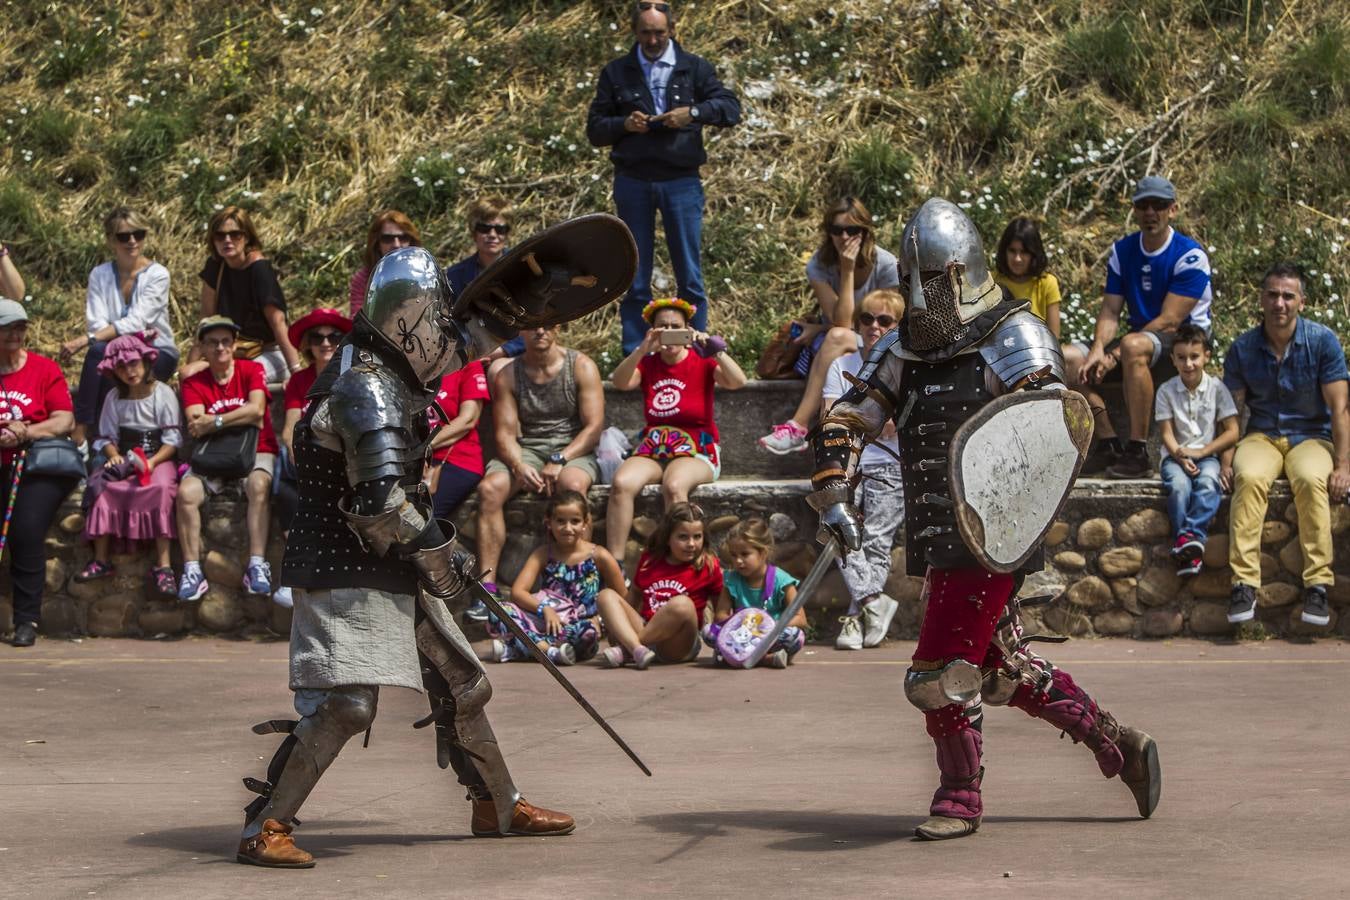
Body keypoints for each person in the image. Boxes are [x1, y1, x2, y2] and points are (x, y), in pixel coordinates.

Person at [808, 197, 1160, 840]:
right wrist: (836, 492)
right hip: (940, 531)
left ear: (959, 275)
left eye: (929, 282)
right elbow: (847, 417)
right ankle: (1119, 745)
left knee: (936, 674)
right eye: (912, 282)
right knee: (999, 671)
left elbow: (1050, 436)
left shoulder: (1016, 334)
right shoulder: (908, 347)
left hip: (996, 533)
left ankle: (959, 797)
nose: (919, 296)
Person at [238, 246, 573, 869]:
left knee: (464, 683)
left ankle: (498, 803)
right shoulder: (367, 385)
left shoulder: (385, 371)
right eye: (437, 324)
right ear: (411, 321)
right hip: (345, 560)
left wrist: (531, 296)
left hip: (391, 557)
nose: (448, 342)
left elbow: (466, 345)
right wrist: (444, 554)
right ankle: (267, 826)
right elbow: (379, 501)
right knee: (347, 704)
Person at [586, 0, 741, 353]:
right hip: (633, 180)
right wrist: (623, 124)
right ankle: (635, 353)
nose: (653, 40)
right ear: (634, 32)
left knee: (689, 273)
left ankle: (697, 349)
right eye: (646, 33)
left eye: (659, 33)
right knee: (633, 273)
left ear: (672, 30)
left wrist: (694, 113)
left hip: (681, 180)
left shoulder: (694, 68)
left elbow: (730, 108)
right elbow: (595, 130)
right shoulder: (616, 72)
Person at [1221, 263, 1350, 627]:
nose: (1280, 303)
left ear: (1302, 302)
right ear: (1261, 299)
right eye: (1273, 295)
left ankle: (1318, 586)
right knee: (1248, 478)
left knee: (1312, 481)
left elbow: (1340, 407)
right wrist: (1227, 461)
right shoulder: (1243, 348)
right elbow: (1232, 411)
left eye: (1288, 296)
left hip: (1311, 435)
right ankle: (1243, 584)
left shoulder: (1322, 341)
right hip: (1261, 434)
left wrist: (1343, 465)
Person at [1064, 176, 1213, 478]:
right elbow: (1110, 309)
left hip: (1184, 339)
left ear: (1173, 210)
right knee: (1067, 358)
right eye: (1143, 206)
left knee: (1133, 346)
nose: (1150, 213)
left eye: (1158, 206)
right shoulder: (1123, 251)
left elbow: (1170, 320)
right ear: (1134, 210)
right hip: (1137, 337)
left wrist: (1114, 354)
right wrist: (1096, 351)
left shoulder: (1190, 255)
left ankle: (1138, 448)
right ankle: (1107, 442)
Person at [473, 325, 603, 619]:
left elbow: (593, 427)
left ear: (559, 327)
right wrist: (519, 465)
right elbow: (505, 434)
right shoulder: (509, 373)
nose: (541, 331)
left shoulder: (580, 366)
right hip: (527, 447)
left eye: (548, 324)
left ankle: (582, 582)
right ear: (521, 332)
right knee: (490, 489)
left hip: (571, 448)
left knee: (572, 487)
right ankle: (488, 588)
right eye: (533, 326)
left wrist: (561, 458)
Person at [605, 297, 746, 565]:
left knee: (674, 485)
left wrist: (713, 349)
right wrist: (642, 349)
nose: (669, 332)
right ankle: (616, 564)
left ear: (687, 329)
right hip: (655, 447)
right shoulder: (648, 364)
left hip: (697, 449)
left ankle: (682, 561)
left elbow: (737, 381)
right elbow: (620, 382)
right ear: (653, 330)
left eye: (675, 326)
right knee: (622, 484)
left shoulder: (702, 361)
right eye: (662, 327)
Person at [760, 197, 899, 454]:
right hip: (835, 342)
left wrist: (824, 328)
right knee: (837, 337)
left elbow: (885, 322)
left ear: (865, 232)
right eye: (837, 230)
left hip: (872, 340)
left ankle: (799, 426)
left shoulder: (886, 265)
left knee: (836, 337)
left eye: (852, 230)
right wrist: (845, 271)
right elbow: (843, 321)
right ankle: (827, 436)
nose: (844, 237)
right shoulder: (819, 264)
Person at [820, 289, 905, 650]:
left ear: (900, 326)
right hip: (846, 465)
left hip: (890, 466)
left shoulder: (906, 368)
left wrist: (858, 419)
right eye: (866, 319)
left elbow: (893, 425)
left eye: (884, 320)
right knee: (834, 528)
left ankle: (855, 618)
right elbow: (830, 419)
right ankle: (873, 602)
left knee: (875, 542)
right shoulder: (842, 366)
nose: (874, 326)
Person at [60, 206, 179, 452]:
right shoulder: (100, 275)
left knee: (100, 357)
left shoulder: (158, 274)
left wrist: (85, 340)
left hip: (156, 351)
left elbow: (138, 321)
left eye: (138, 234)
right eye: (124, 236)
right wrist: (101, 339)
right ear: (111, 240)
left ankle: (86, 435)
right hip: (113, 352)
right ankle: (92, 436)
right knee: (102, 357)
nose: (132, 241)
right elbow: (97, 322)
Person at [176, 317, 277, 602]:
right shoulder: (195, 382)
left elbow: (257, 411)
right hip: (213, 459)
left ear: (234, 344)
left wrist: (216, 420)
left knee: (259, 484)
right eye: (212, 342)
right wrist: (236, 417)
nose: (220, 347)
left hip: (256, 450)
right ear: (203, 348)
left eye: (225, 341)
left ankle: (256, 566)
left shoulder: (251, 369)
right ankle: (192, 570)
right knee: (186, 493)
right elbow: (195, 422)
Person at [74, 333, 182, 596]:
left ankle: (164, 566)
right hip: (125, 458)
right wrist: (113, 454)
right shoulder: (114, 397)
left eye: (133, 364)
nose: (129, 371)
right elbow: (105, 437)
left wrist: (153, 461)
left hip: (157, 457)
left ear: (146, 362)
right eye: (122, 366)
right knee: (102, 488)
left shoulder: (163, 393)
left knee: (160, 490)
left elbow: (173, 439)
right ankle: (101, 560)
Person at [0, 299, 79, 648]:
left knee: (25, 530)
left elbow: (65, 419)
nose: (15, 334)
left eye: (20, 327)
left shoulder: (44, 369)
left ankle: (26, 619)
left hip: (35, 466)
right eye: (6, 328)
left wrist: (25, 432)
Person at [487, 490, 626, 666]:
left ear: (585, 523)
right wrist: (544, 610)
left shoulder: (599, 556)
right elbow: (518, 592)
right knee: (499, 611)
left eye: (575, 521)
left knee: (587, 633)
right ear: (549, 523)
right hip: (546, 623)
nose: (567, 528)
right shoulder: (544, 554)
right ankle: (548, 651)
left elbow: (623, 599)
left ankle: (518, 648)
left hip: (577, 628)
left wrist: (600, 621)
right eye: (560, 521)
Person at [275, 308, 352, 609]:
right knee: (284, 492)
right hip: (308, 460)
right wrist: (301, 457)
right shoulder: (299, 380)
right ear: (308, 344)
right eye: (318, 337)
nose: (326, 342)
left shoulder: (350, 375)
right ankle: (295, 573)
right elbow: (290, 428)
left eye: (333, 336)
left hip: (342, 459)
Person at [1154, 324, 1238, 578]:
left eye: (1194, 357)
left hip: (1207, 455)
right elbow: (1166, 432)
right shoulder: (1166, 390)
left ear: (1206, 357)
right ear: (1173, 359)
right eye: (1181, 358)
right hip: (1174, 457)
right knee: (1179, 487)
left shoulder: (1217, 388)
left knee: (1209, 482)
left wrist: (1206, 454)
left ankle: (1187, 537)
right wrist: (1179, 454)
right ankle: (1190, 547)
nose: (1188, 364)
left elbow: (1232, 431)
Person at [595, 501, 721, 668]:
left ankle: (629, 648)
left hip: (678, 642)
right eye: (683, 537)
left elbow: (721, 608)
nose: (691, 544)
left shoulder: (708, 565)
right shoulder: (650, 560)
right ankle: (637, 649)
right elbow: (632, 599)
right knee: (606, 596)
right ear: (668, 538)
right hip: (647, 627)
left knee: (682, 604)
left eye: (697, 536)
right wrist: (617, 627)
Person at [185, 206, 301, 386]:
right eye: (220, 236)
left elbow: (277, 322)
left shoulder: (259, 269)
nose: (227, 240)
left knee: (236, 378)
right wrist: (190, 367)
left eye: (235, 234)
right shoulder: (216, 267)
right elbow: (205, 319)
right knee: (188, 375)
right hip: (227, 350)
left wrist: (296, 370)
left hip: (267, 351)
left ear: (246, 237)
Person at [706, 517, 804, 669]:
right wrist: (740, 623)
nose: (738, 561)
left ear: (763, 553)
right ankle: (765, 659)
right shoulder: (731, 580)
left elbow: (800, 618)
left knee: (794, 635)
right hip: (741, 636)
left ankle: (731, 658)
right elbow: (720, 615)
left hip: (770, 637)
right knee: (708, 633)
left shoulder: (782, 581)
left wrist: (771, 627)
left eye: (745, 554)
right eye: (733, 555)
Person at [445, 197, 525, 364]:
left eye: (500, 229)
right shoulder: (454, 276)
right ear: (474, 232)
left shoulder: (523, 271)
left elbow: (537, 323)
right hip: (468, 356)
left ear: (508, 233)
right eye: (484, 228)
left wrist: (504, 351)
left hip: (514, 356)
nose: (492, 235)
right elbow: (450, 324)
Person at [426, 358, 490, 521]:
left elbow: (468, 419)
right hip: (412, 456)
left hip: (455, 459)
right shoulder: (416, 362)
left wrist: (425, 446)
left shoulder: (468, 364)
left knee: (424, 518)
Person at [993, 216, 1061, 339]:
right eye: (1012, 251)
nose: (1017, 259)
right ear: (1004, 251)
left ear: (1033, 254)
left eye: (1024, 252)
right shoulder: (991, 281)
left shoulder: (1047, 283)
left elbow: (1054, 336)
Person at [349, 209, 421, 317]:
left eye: (403, 238)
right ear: (376, 243)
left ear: (411, 241)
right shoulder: (364, 279)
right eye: (388, 238)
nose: (396, 244)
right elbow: (357, 320)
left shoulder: (425, 274)